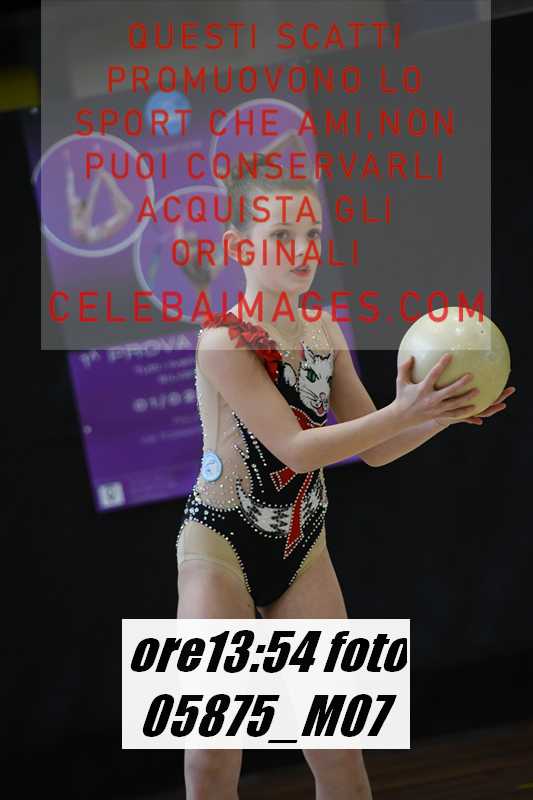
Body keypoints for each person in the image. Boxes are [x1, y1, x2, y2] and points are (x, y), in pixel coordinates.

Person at [175, 152, 514, 800]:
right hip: (220, 545)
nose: (302, 249)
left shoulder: (323, 328)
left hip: (302, 547)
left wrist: (438, 415)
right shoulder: (222, 340)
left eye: (310, 233)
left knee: (338, 752)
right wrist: (404, 411)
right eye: (280, 235)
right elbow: (297, 450)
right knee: (211, 755)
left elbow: (374, 446)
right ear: (238, 245)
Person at [63, 144, 134, 243]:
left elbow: (89, 192)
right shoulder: (79, 209)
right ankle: (98, 163)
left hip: (100, 231)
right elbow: (72, 185)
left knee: (122, 202)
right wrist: (67, 161)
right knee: (125, 206)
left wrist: (67, 161)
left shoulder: (79, 208)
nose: (77, 200)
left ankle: (98, 164)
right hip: (101, 232)